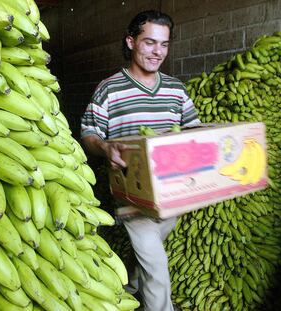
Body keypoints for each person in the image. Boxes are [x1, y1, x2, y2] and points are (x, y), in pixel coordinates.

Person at [80, 10, 200, 311]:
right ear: (131, 42)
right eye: (149, 43)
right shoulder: (110, 89)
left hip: (172, 195)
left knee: (147, 256)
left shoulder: (176, 90)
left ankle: (130, 290)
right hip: (132, 196)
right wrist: (105, 148)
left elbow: (195, 133)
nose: (157, 52)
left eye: (164, 44)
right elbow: (88, 132)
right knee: (157, 269)